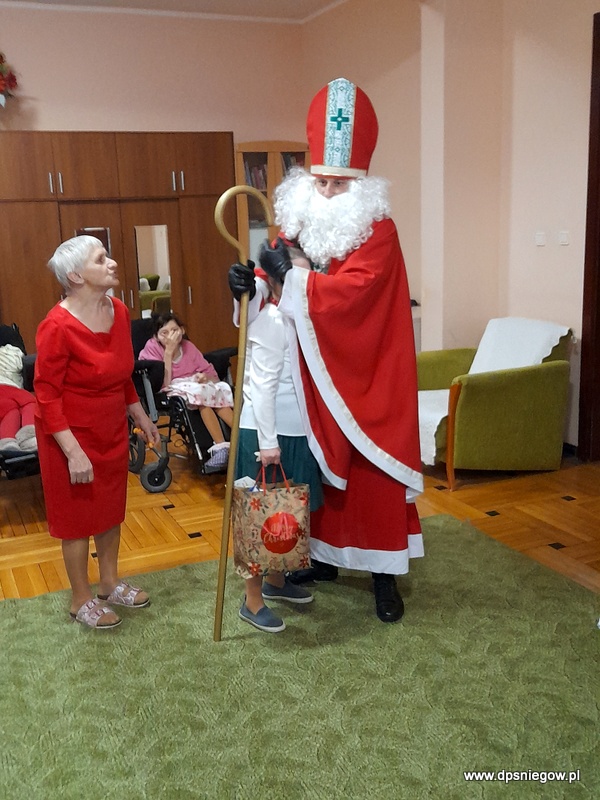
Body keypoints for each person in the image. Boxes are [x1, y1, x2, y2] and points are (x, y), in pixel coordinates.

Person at [229, 77, 424, 623]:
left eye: (341, 182)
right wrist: (247, 286)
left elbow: (356, 297)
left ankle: (384, 577)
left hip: (365, 373)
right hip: (306, 380)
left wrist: (292, 278)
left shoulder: (378, 232)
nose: (330, 191)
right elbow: (269, 287)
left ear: (361, 183)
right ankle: (323, 559)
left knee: (372, 475)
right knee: (310, 475)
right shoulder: (295, 223)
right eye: (322, 180)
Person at [34, 235, 160, 629]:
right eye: (100, 259)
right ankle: (80, 599)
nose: (112, 263)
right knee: (75, 519)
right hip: (66, 435)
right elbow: (46, 395)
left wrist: (140, 414)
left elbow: (121, 376)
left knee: (108, 509)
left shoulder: (119, 311)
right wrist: (73, 451)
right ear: (75, 276)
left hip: (109, 428)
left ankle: (109, 584)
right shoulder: (56, 326)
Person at [235, 241, 323, 634]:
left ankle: (276, 580)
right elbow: (263, 385)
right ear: (274, 281)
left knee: (285, 514)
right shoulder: (271, 319)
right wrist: (268, 442)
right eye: (292, 276)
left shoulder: (298, 317)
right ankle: (252, 600)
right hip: (267, 433)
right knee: (259, 517)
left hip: (295, 429)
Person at [138, 313, 234, 472]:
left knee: (217, 392)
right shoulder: (152, 349)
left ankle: (242, 437)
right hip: (170, 388)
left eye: (174, 330)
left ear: (182, 330)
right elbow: (163, 383)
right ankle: (221, 446)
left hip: (195, 385)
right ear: (156, 336)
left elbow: (210, 373)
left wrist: (205, 377)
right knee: (202, 397)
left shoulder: (188, 347)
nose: (170, 336)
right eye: (164, 333)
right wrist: (168, 352)